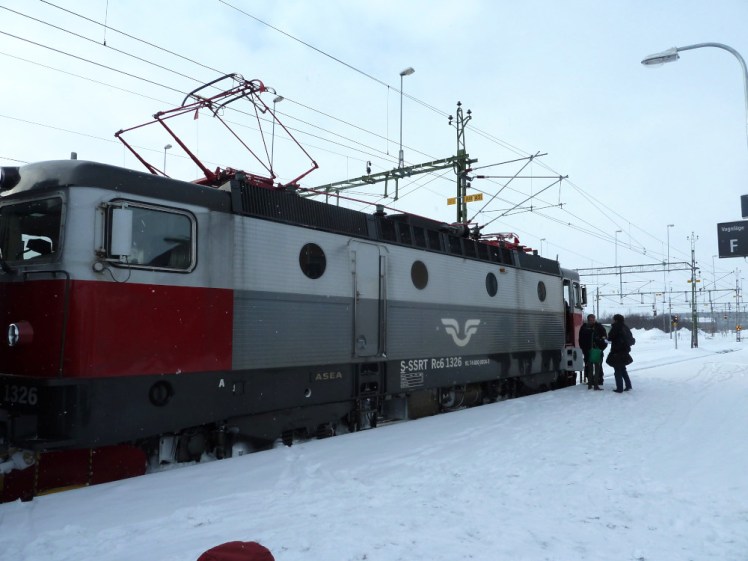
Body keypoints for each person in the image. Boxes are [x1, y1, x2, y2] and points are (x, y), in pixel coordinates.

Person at [606, 313, 634, 393]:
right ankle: (628, 385)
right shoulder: (626, 327)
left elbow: (610, 337)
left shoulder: (616, 327)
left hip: (617, 351)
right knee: (623, 369)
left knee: (617, 370)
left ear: (616, 320)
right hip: (625, 351)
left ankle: (619, 388)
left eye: (614, 319)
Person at [578, 313, 608, 390]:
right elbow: (580, 339)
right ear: (588, 320)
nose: (592, 321)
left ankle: (599, 380)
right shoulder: (584, 327)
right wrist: (583, 348)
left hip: (597, 350)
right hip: (587, 350)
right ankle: (590, 381)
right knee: (588, 366)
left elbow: (605, 339)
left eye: (593, 319)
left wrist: (601, 348)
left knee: (598, 366)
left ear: (595, 320)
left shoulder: (599, 327)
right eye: (590, 320)